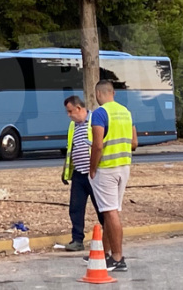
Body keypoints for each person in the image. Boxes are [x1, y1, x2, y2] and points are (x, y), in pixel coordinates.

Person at [89, 79, 138, 273]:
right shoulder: (126, 112)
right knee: (112, 211)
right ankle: (105, 253)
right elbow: (134, 143)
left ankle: (118, 257)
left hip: (106, 168)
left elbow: (97, 145)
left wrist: (92, 168)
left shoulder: (100, 113)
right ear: (113, 93)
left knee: (110, 212)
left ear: (98, 94)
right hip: (123, 166)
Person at [62, 95, 104, 251]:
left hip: (94, 173)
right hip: (79, 174)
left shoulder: (95, 121)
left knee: (101, 207)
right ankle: (77, 240)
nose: (69, 115)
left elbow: (99, 146)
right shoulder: (73, 126)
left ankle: (108, 236)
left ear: (79, 108)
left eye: (70, 111)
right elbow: (70, 149)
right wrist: (66, 171)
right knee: (76, 208)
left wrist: (95, 168)